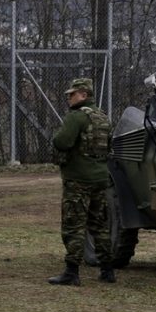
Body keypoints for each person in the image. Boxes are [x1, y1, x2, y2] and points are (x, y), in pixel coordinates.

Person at [48, 78, 115, 286]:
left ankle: (72, 271)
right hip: (100, 178)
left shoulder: (76, 117)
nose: (69, 97)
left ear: (84, 95)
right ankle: (107, 270)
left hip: (78, 179)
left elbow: (62, 141)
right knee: (100, 225)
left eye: (73, 94)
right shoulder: (104, 118)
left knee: (74, 225)